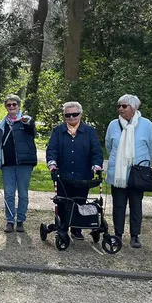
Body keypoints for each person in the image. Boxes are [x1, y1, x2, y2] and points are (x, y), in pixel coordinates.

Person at [104, 94, 152, 249]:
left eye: (124, 106)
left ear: (134, 108)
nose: (120, 109)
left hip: (138, 173)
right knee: (118, 205)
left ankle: (135, 236)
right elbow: (109, 145)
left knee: (136, 205)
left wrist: (146, 164)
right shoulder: (113, 125)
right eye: (119, 106)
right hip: (118, 174)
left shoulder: (146, 125)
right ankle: (118, 234)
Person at [46, 101, 103, 240]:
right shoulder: (58, 131)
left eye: (75, 114)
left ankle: (77, 229)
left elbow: (96, 151)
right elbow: (52, 149)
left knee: (80, 202)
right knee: (62, 202)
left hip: (82, 175)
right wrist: (52, 163)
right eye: (68, 115)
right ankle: (62, 227)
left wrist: (96, 165)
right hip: (63, 175)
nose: (71, 118)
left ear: (80, 115)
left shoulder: (89, 131)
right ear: (64, 116)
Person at [0, 95, 37, 233]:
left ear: (19, 106)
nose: (12, 107)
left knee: (23, 194)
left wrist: (27, 121)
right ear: (6, 107)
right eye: (9, 105)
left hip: (24, 163)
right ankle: (9, 220)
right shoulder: (0, 126)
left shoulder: (25, 121)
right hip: (7, 163)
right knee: (8, 194)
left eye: (14, 104)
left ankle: (20, 220)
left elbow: (31, 129)